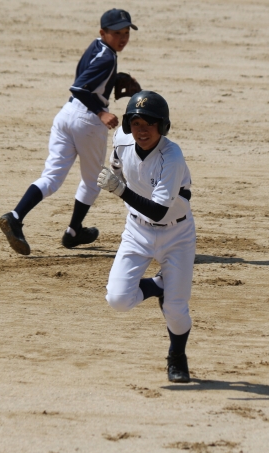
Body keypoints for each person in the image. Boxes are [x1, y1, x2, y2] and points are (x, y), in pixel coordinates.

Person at [0, 9, 137, 255]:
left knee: (51, 177)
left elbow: (86, 78)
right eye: (117, 33)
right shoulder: (108, 58)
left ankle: (15, 217)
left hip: (66, 115)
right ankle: (73, 232)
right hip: (88, 121)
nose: (123, 38)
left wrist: (112, 80)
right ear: (103, 32)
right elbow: (79, 87)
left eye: (126, 33)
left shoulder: (97, 46)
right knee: (93, 181)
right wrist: (101, 112)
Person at [97, 91, 196, 382]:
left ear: (162, 126)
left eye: (149, 124)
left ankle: (177, 356)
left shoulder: (171, 157)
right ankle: (159, 286)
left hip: (177, 234)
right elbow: (118, 166)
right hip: (137, 231)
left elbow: (159, 212)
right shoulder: (122, 140)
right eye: (136, 123)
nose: (142, 130)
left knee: (176, 310)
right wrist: (119, 182)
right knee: (118, 299)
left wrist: (120, 190)